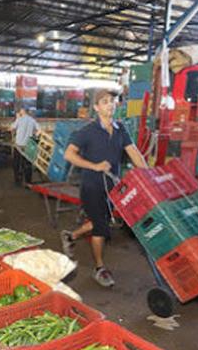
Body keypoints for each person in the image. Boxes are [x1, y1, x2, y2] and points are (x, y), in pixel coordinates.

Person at [61, 89, 147, 287]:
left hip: (112, 187)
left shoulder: (120, 129)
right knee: (100, 225)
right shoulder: (87, 131)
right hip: (91, 186)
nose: (111, 104)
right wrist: (95, 166)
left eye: (113, 101)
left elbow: (134, 154)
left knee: (103, 220)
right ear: (96, 107)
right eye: (106, 101)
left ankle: (71, 236)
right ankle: (99, 268)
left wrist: (149, 175)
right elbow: (69, 155)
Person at [11, 108, 40, 185]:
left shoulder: (19, 119)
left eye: (19, 112)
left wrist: (17, 118)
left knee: (17, 163)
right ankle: (28, 181)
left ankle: (17, 181)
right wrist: (34, 137)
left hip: (19, 145)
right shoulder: (32, 120)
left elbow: (11, 128)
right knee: (28, 163)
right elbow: (39, 130)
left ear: (22, 112)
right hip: (28, 144)